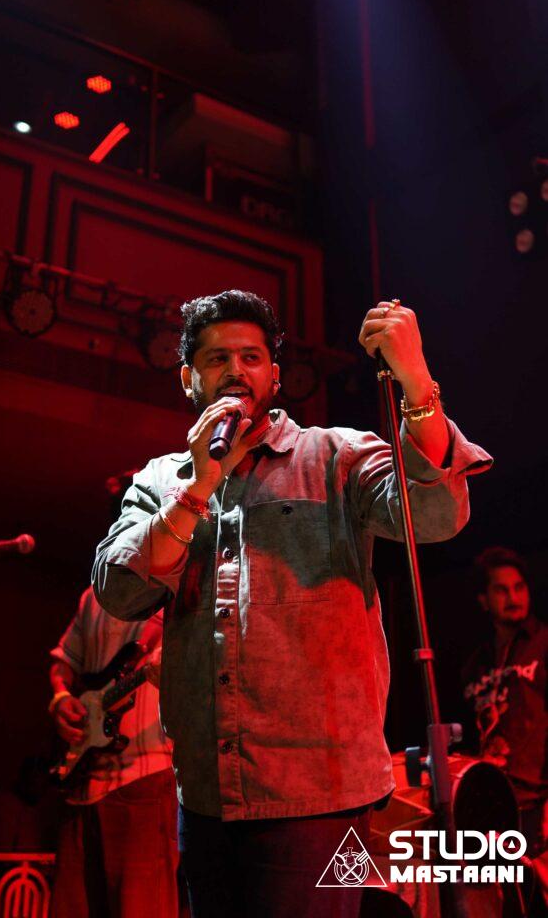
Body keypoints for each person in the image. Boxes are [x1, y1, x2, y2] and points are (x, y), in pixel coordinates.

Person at [92, 289, 492, 918]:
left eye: (251, 357)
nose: (236, 371)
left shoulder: (334, 456)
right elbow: (119, 592)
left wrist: (416, 381)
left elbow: (437, 514)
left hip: (322, 799)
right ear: (188, 379)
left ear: (274, 375)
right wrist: (198, 487)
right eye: (217, 358)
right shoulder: (161, 480)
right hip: (206, 797)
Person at [48, 587, 180, 918]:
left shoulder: (176, 587)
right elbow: (63, 662)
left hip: (145, 779)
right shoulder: (92, 595)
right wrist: (61, 698)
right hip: (82, 783)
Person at [462, 547, 548, 859]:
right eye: (501, 590)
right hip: (492, 808)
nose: (513, 597)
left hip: (537, 803)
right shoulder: (474, 664)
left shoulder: (544, 644)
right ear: (484, 600)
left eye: (519, 587)